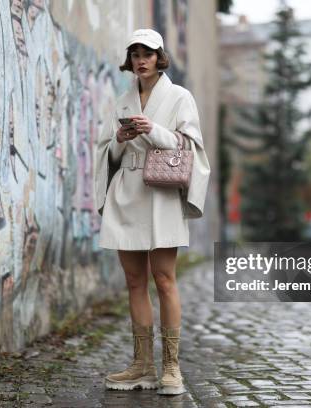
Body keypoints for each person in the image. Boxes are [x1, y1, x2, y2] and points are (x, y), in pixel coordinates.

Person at [93, 28, 211, 395]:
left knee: (164, 280)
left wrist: (153, 130)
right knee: (133, 282)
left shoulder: (180, 97)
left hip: (160, 195)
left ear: (160, 57)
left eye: (147, 53)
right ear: (129, 60)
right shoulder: (122, 99)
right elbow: (106, 153)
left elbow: (189, 147)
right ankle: (142, 366)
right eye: (135, 54)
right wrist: (119, 139)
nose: (140, 60)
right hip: (126, 193)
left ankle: (171, 368)